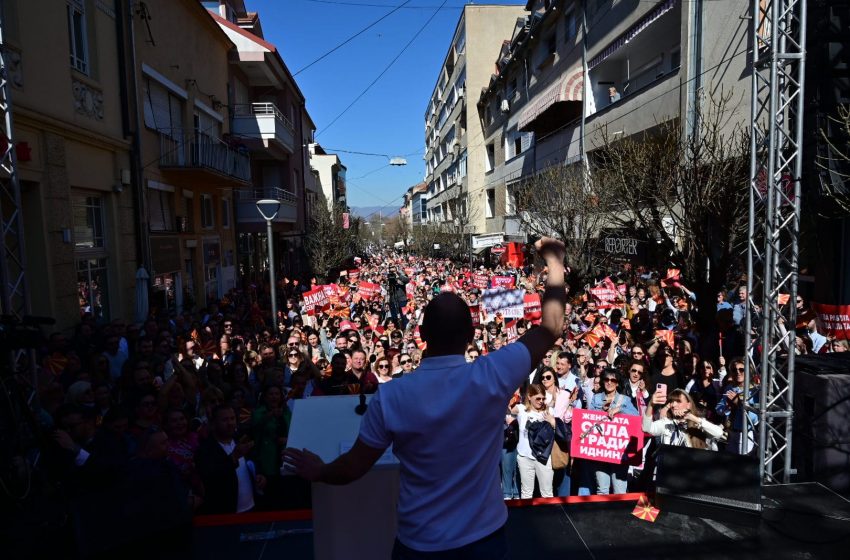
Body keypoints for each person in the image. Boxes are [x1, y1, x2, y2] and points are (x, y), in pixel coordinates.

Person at [283, 237, 567, 559]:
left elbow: (353, 467)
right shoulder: (494, 374)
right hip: (485, 539)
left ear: (422, 334)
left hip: (420, 544)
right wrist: (555, 261)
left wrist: (320, 470)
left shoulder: (391, 397)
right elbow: (552, 325)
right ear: (471, 336)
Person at [588, 369, 638, 495]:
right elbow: (588, 417)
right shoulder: (596, 398)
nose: (609, 382)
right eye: (606, 379)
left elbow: (636, 417)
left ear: (617, 383)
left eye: (613, 380)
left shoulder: (624, 399)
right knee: (602, 490)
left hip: (618, 451)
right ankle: (601, 515)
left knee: (619, 491)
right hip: (600, 449)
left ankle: (619, 515)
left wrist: (619, 409)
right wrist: (601, 412)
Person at [643, 389, 724, 449]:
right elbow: (646, 428)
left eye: (678, 401)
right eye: (671, 401)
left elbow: (719, 433)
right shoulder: (666, 423)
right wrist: (650, 405)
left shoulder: (698, 422)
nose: (673, 405)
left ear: (688, 405)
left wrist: (692, 418)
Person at [513, 384, 555, 499]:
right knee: (526, 493)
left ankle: (550, 516)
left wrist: (552, 421)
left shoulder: (549, 410)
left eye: (543, 398)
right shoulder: (521, 409)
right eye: (538, 398)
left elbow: (560, 430)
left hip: (543, 458)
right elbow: (505, 408)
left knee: (547, 493)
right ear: (529, 396)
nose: (541, 401)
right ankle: (527, 517)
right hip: (524, 457)